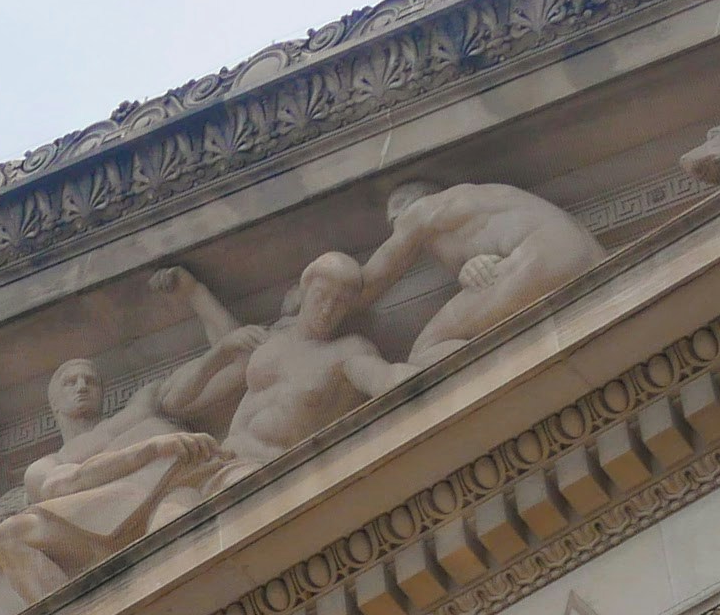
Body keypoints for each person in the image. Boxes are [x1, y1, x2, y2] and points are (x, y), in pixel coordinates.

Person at [0, 267, 267, 597]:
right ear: (54, 404)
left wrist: (197, 297)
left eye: (90, 380)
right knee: (7, 536)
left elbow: (239, 367)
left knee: (172, 539)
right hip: (100, 532)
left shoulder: (141, 406)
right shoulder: (48, 464)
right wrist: (150, 450)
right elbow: (66, 484)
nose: (82, 386)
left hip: (175, 490)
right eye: (70, 382)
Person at [359, 179, 602, 367]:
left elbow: (368, 282)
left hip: (539, 255)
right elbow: (483, 274)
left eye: (396, 226)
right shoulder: (480, 199)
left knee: (425, 350)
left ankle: (504, 384)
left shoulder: (422, 212)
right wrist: (470, 268)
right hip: (585, 251)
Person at [222, 251, 414, 468]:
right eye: (320, 295)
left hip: (283, 473)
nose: (327, 309)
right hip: (232, 460)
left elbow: (385, 379)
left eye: (340, 302)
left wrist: (424, 378)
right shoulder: (271, 339)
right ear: (304, 290)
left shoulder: (348, 351)